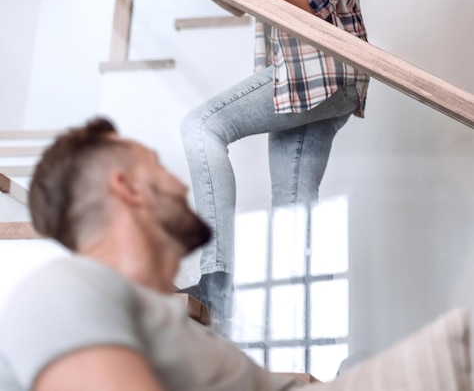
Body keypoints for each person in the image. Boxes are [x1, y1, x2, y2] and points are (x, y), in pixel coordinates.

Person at [173, 0, 370, 328]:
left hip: (328, 72)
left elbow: (312, 3)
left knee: (202, 126)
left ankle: (218, 279)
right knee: (295, 202)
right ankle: (294, 329)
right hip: (291, 76)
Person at [0, 117, 315, 391]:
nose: (180, 186)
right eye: (158, 167)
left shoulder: (190, 339)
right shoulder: (61, 294)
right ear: (127, 187)